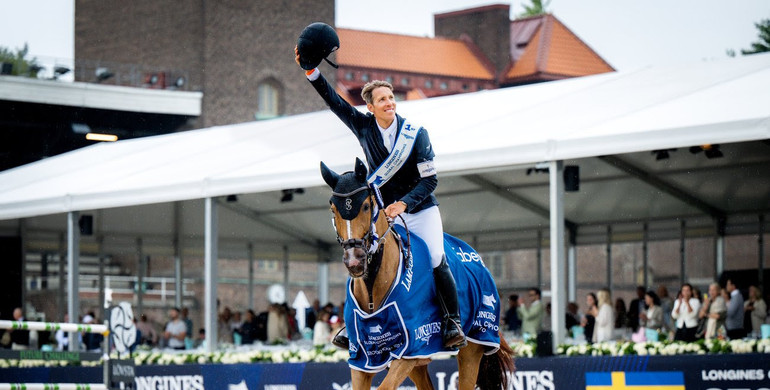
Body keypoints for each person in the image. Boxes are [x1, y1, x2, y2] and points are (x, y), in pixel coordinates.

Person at [295, 34, 465, 349]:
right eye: (382, 100)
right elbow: (334, 101)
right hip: (384, 213)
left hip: (421, 209)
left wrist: (404, 203)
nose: (389, 103)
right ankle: (352, 324)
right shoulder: (362, 127)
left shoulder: (417, 135)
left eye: (391, 97)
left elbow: (430, 181)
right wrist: (311, 72)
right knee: (359, 255)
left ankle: (451, 320)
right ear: (371, 107)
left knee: (438, 256)